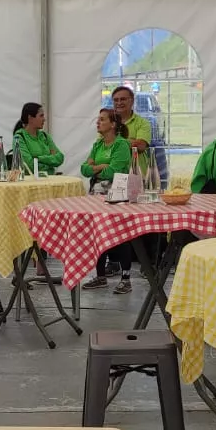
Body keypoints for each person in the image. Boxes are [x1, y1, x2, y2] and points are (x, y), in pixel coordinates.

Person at [80, 109, 134, 293]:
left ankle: (126, 279)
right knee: (97, 233)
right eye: (98, 119)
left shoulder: (121, 144)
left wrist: (96, 167)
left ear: (113, 124)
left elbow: (114, 171)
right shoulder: (98, 144)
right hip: (96, 194)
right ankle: (100, 276)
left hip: (117, 194)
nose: (98, 122)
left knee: (121, 235)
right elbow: (84, 169)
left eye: (102, 120)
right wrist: (101, 167)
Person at [110, 85, 166, 180]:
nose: (119, 103)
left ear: (131, 101)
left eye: (123, 99)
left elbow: (140, 146)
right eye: (116, 100)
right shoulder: (106, 122)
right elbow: (102, 146)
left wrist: (113, 142)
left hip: (137, 176)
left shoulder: (143, 123)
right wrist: (130, 142)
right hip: (111, 176)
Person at [12, 102, 64, 175]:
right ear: (30, 118)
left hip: (50, 181)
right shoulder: (19, 137)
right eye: (41, 116)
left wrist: (38, 159)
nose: (44, 119)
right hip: (31, 184)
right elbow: (29, 166)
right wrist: (51, 160)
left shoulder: (45, 136)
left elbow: (60, 158)